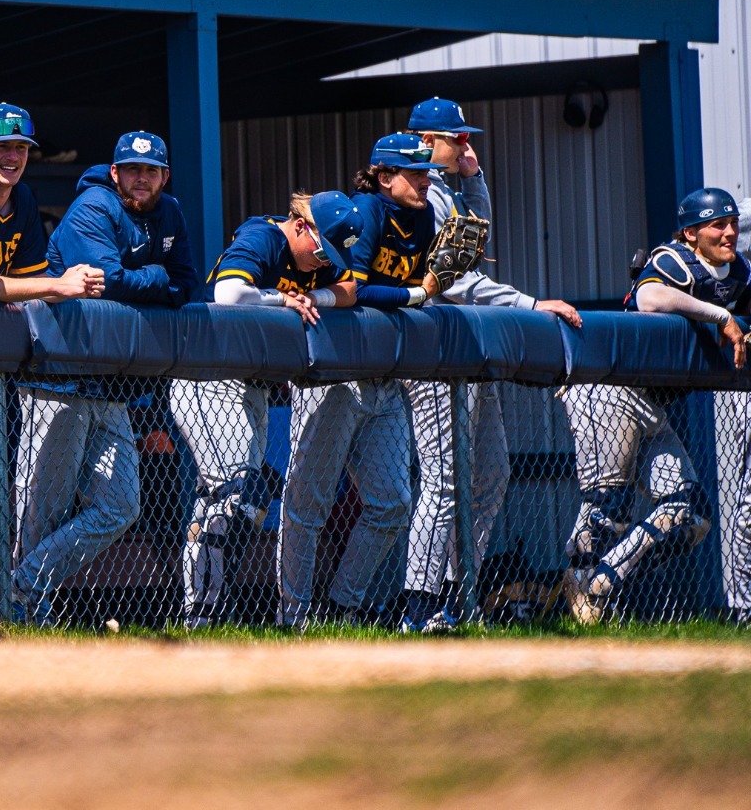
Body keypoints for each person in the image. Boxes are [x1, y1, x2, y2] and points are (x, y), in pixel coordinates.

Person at [398, 98, 583, 633]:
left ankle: (458, 593)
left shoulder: (443, 189)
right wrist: (529, 304)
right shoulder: (421, 194)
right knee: (442, 479)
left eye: (465, 137)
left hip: (462, 347)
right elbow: (458, 280)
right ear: (426, 141)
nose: (465, 145)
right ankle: (420, 604)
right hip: (432, 348)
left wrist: (474, 179)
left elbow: (474, 242)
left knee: (493, 473)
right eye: (455, 138)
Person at [11, 131, 197, 625]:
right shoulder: (94, 206)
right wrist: (157, 277)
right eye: (132, 170)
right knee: (42, 506)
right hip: (59, 378)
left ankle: (20, 587)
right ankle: (23, 610)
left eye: (151, 171)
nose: (142, 178)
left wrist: (154, 281)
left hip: (114, 386)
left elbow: (187, 282)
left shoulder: (170, 212)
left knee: (121, 506)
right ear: (115, 173)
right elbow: (107, 281)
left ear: (164, 176)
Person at [168, 190, 359, 627]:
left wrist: (318, 297)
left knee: (231, 503)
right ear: (301, 226)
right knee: (240, 492)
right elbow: (229, 293)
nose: (324, 262)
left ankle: (206, 609)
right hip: (208, 376)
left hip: (251, 387)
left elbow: (351, 288)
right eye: (322, 251)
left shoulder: (319, 256)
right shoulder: (264, 236)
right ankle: (203, 610)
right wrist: (283, 299)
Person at [277, 133, 443, 628]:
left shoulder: (425, 218)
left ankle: (341, 606)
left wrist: (437, 284)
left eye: (427, 172)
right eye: (414, 173)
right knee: (308, 504)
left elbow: (414, 286)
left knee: (392, 502)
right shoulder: (365, 212)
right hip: (336, 374)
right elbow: (358, 288)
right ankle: (294, 616)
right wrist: (418, 295)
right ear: (384, 176)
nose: (425, 181)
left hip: (383, 377)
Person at [560, 187, 741, 625]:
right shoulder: (673, 258)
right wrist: (720, 316)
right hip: (609, 389)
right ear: (691, 233)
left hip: (652, 405)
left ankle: (601, 580)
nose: (729, 232)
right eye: (717, 224)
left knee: (691, 512)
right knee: (610, 509)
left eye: (733, 223)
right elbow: (650, 298)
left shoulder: (738, 272)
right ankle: (580, 594)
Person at [0, 102, 103, 302]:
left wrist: (76, 284)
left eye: (21, 147)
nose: (13, 157)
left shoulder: (23, 196)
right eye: (2, 146)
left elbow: (31, 281)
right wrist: (57, 285)